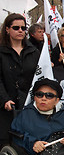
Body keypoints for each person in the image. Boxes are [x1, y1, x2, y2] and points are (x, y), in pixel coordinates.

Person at [0, 13, 40, 146]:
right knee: (5, 140)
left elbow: (39, 76)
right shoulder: (1, 51)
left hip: (28, 101)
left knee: (28, 139)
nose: (20, 31)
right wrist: (4, 99)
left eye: (23, 28)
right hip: (6, 104)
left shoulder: (34, 51)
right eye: (16, 28)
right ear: (7, 29)